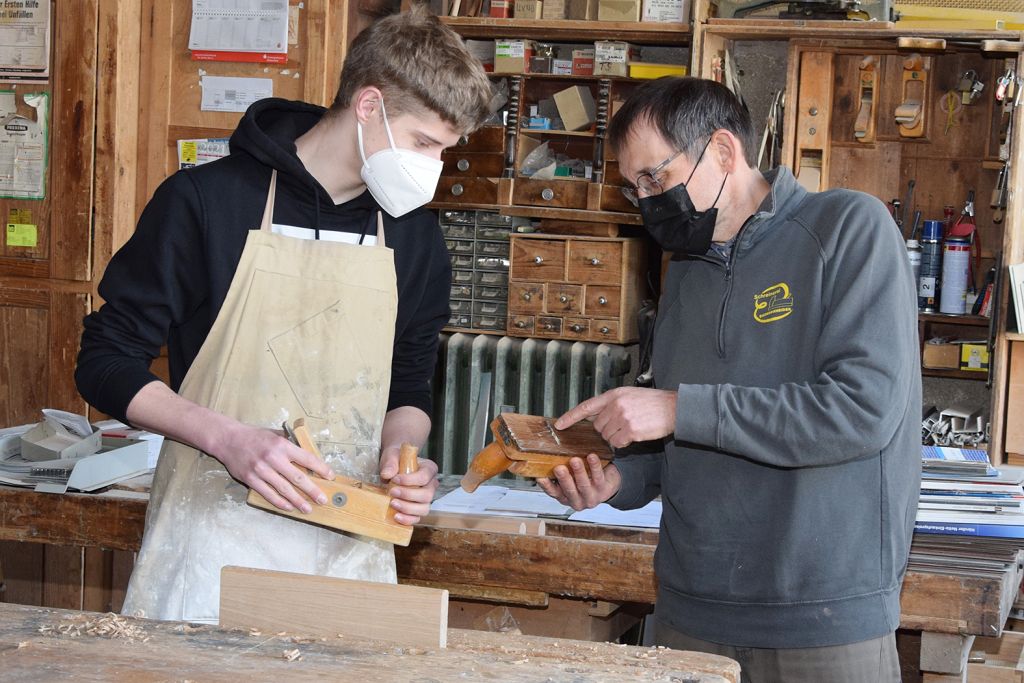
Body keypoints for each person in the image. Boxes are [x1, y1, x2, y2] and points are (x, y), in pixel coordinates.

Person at [75, 8, 492, 622]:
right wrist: (229, 439)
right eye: (425, 144)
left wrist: (405, 460)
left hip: (351, 544)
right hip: (211, 538)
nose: (432, 168)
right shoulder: (206, 202)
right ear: (369, 105)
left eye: (445, 151)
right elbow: (103, 361)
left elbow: (407, 386)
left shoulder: (414, 239)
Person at [538, 77, 920, 683]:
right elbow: (684, 438)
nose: (645, 201)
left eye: (654, 179)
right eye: (632, 187)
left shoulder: (848, 230)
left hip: (818, 620)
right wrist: (618, 477)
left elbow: (862, 411)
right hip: (692, 612)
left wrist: (675, 409)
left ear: (721, 151)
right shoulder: (684, 272)